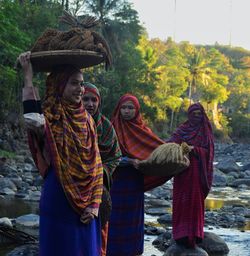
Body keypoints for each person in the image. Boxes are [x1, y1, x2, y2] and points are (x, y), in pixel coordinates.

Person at [18, 51, 103, 256]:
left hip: (87, 206)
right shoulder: (50, 117)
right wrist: (28, 75)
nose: (80, 89)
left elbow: (96, 165)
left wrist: (94, 205)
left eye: (81, 83)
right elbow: (31, 116)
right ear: (59, 84)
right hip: (58, 198)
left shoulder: (88, 120)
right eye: (74, 83)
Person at [107, 93, 170, 256]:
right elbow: (104, 156)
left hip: (134, 183)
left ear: (137, 110)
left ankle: (132, 251)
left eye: (131, 108)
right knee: (112, 217)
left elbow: (156, 150)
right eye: (124, 107)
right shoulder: (110, 128)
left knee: (131, 220)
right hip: (115, 181)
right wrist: (129, 161)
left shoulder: (143, 130)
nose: (127, 111)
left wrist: (175, 154)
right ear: (118, 109)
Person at [82, 82, 121, 256]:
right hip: (72, 185)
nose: (90, 104)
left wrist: (99, 171)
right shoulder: (69, 122)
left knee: (99, 228)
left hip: (99, 188)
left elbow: (115, 156)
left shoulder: (106, 127)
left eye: (94, 100)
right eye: (85, 99)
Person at [168, 102, 214, 250]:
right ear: (189, 115)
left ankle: (195, 234)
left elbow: (209, 152)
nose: (196, 117)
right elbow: (170, 144)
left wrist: (195, 149)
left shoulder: (205, 131)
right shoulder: (182, 129)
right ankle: (180, 235)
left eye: (199, 114)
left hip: (198, 174)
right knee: (182, 201)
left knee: (194, 203)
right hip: (182, 173)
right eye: (193, 114)